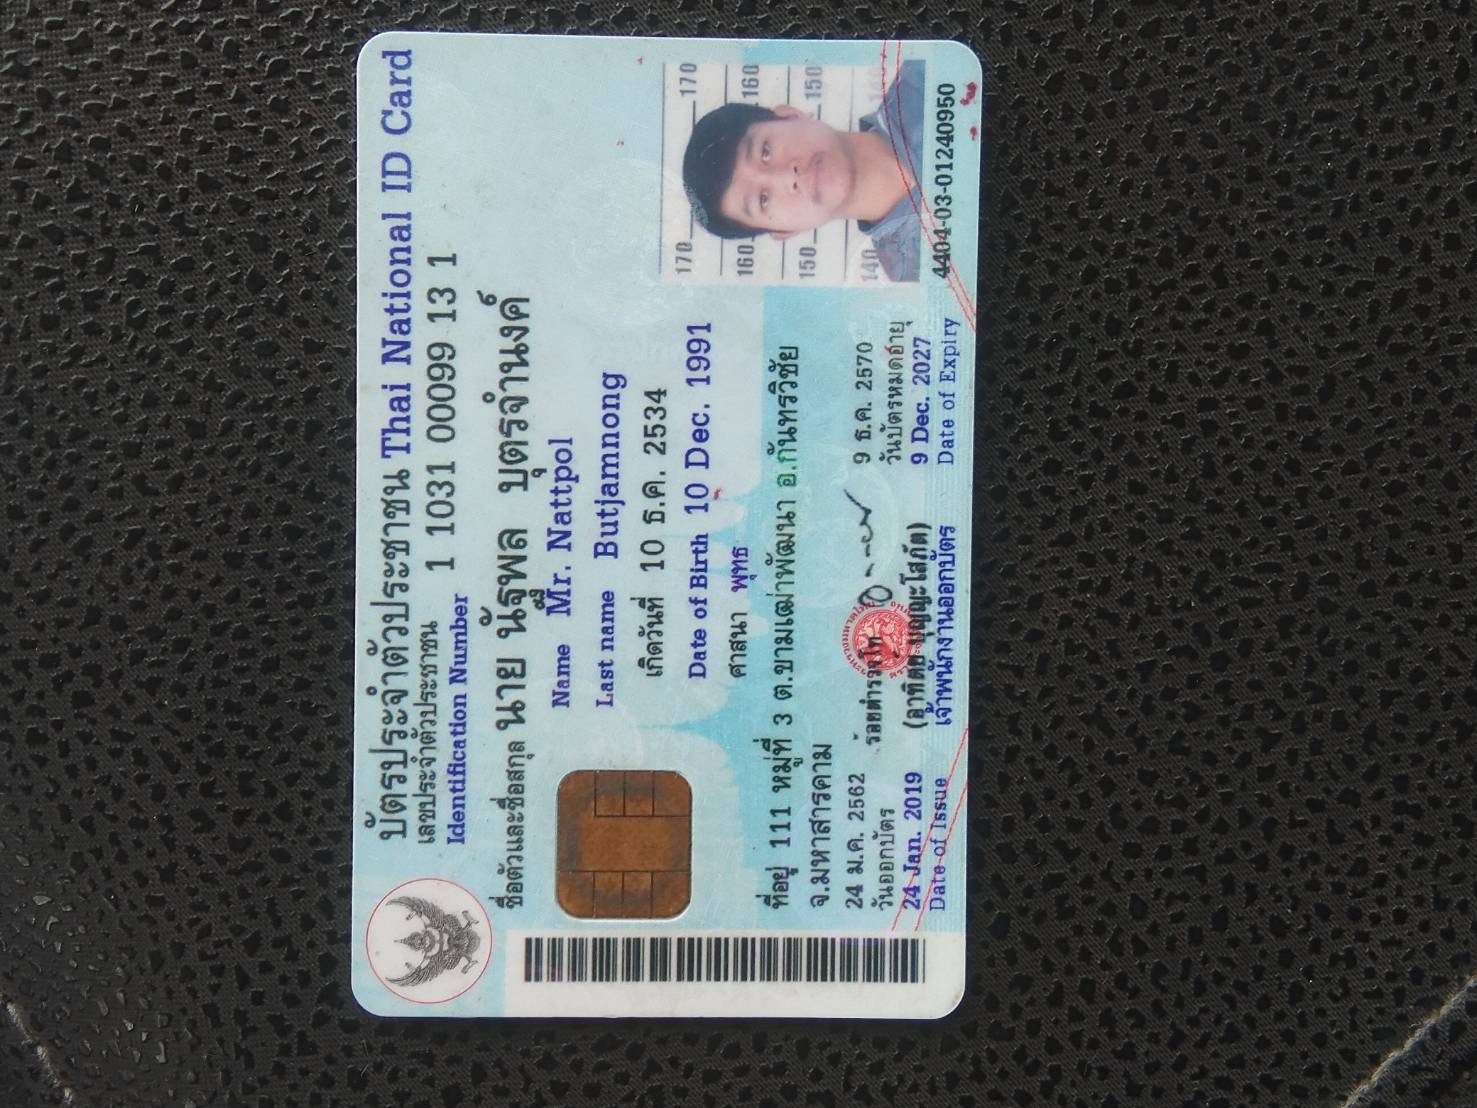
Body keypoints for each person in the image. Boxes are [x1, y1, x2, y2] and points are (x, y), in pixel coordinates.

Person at [682, 60, 925, 281]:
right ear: (785, 231)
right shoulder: (913, 270)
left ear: (790, 115)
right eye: (763, 199)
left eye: (765, 151)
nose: (787, 176)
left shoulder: (924, 76)